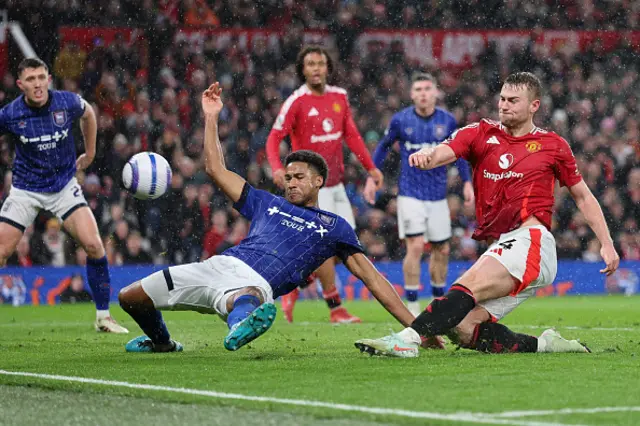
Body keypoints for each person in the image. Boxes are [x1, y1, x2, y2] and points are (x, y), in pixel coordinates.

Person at [118, 82, 419, 353]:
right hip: (217, 265)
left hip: (257, 282)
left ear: (318, 182)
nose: (291, 182)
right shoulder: (264, 201)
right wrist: (210, 117)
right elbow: (215, 170)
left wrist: (418, 328)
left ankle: (240, 324)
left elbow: (373, 279)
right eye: (288, 177)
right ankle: (162, 343)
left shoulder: (333, 225)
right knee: (129, 297)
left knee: (247, 297)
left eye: (299, 177)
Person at [355, 72, 620, 358]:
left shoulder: (553, 145)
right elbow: (446, 150)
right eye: (502, 99)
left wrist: (606, 242)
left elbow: (583, 195)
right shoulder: (480, 132)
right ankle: (546, 344)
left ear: (534, 105)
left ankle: (408, 340)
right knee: (463, 327)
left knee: (467, 286)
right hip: (505, 244)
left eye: (513, 101)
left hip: (532, 241)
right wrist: (428, 156)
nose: (504, 105)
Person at [0, 58, 128, 333]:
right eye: (31, 79)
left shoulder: (67, 102)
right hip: (26, 191)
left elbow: (89, 114)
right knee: (1, 251)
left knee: (94, 245)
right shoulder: (10, 114)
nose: (37, 83)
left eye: (41, 77)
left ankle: (103, 317)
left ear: (48, 79)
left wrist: (91, 152)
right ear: (21, 84)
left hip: (63, 188)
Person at [266, 45, 384, 324]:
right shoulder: (296, 101)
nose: (316, 68)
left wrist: (371, 167)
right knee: (330, 244)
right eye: (310, 64)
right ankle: (335, 308)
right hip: (312, 189)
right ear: (302, 70)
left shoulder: (339, 97)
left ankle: (298, 283)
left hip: (336, 185)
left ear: (328, 67)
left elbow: (352, 136)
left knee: (346, 247)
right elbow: (273, 138)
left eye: (320, 63)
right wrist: (276, 168)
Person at [363, 72, 474, 316]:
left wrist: (467, 182)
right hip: (410, 195)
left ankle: (437, 303)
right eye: (418, 89)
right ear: (412, 94)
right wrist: (373, 177)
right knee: (414, 247)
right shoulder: (401, 120)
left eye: (427, 89)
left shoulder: (447, 121)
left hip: (437, 197)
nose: (423, 93)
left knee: (442, 250)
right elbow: (382, 147)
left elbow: (459, 153)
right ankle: (412, 305)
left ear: (435, 93)